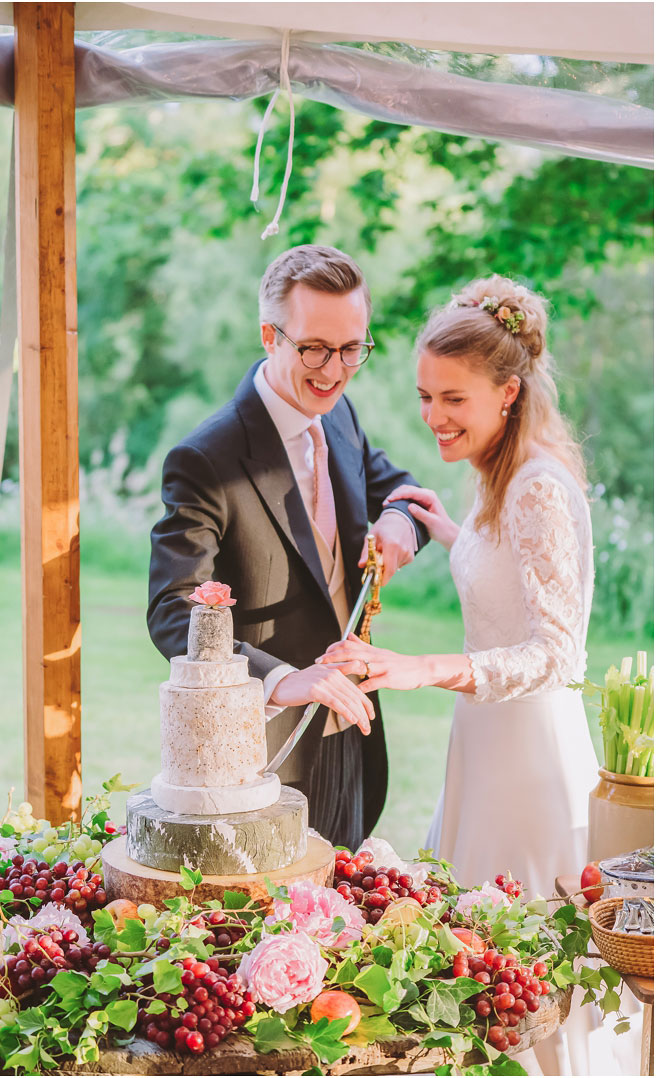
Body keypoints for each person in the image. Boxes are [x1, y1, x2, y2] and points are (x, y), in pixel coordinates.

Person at [315, 277, 632, 1077]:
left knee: (523, 987)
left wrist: (417, 668)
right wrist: (448, 531)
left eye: (453, 397)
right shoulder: (502, 475)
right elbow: (510, 585)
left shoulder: (537, 486)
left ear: (509, 391)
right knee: (475, 972)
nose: (434, 417)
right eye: (425, 396)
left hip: (527, 765)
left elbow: (556, 653)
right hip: (485, 751)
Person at [147, 244, 429, 853]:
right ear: (269, 335)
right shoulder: (206, 460)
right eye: (314, 349)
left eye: (353, 348)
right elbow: (173, 609)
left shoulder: (341, 414)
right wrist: (283, 680)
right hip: (262, 756)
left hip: (350, 729)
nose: (334, 369)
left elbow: (404, 493)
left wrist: (403, 521)